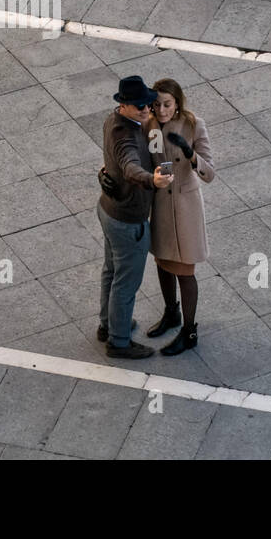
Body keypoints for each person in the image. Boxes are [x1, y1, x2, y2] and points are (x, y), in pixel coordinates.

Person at [97, 75, 171, 359]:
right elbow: (129, 166)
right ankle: (119, 340)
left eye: (148, 103)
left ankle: (107, 324)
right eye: (139, 106)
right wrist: (152, 180)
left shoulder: (112, 120)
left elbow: (113, 162)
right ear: (124, 105)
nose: (146, 109)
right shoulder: (127, 134)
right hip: (128, 221)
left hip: (108, 210)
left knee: (111, 272)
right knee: (126, 283)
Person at [144, 78, 215, 356]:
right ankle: (171, 313)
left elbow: (209, 172)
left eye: (167, 104)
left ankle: (189, 330)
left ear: (177, 103)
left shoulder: (194, 124)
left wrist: (191, 155)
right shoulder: (149, 124)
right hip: (161, 203)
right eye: (157, 104)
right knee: (163, 261)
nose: (161, 110)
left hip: (185, 207)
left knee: (185, 270)